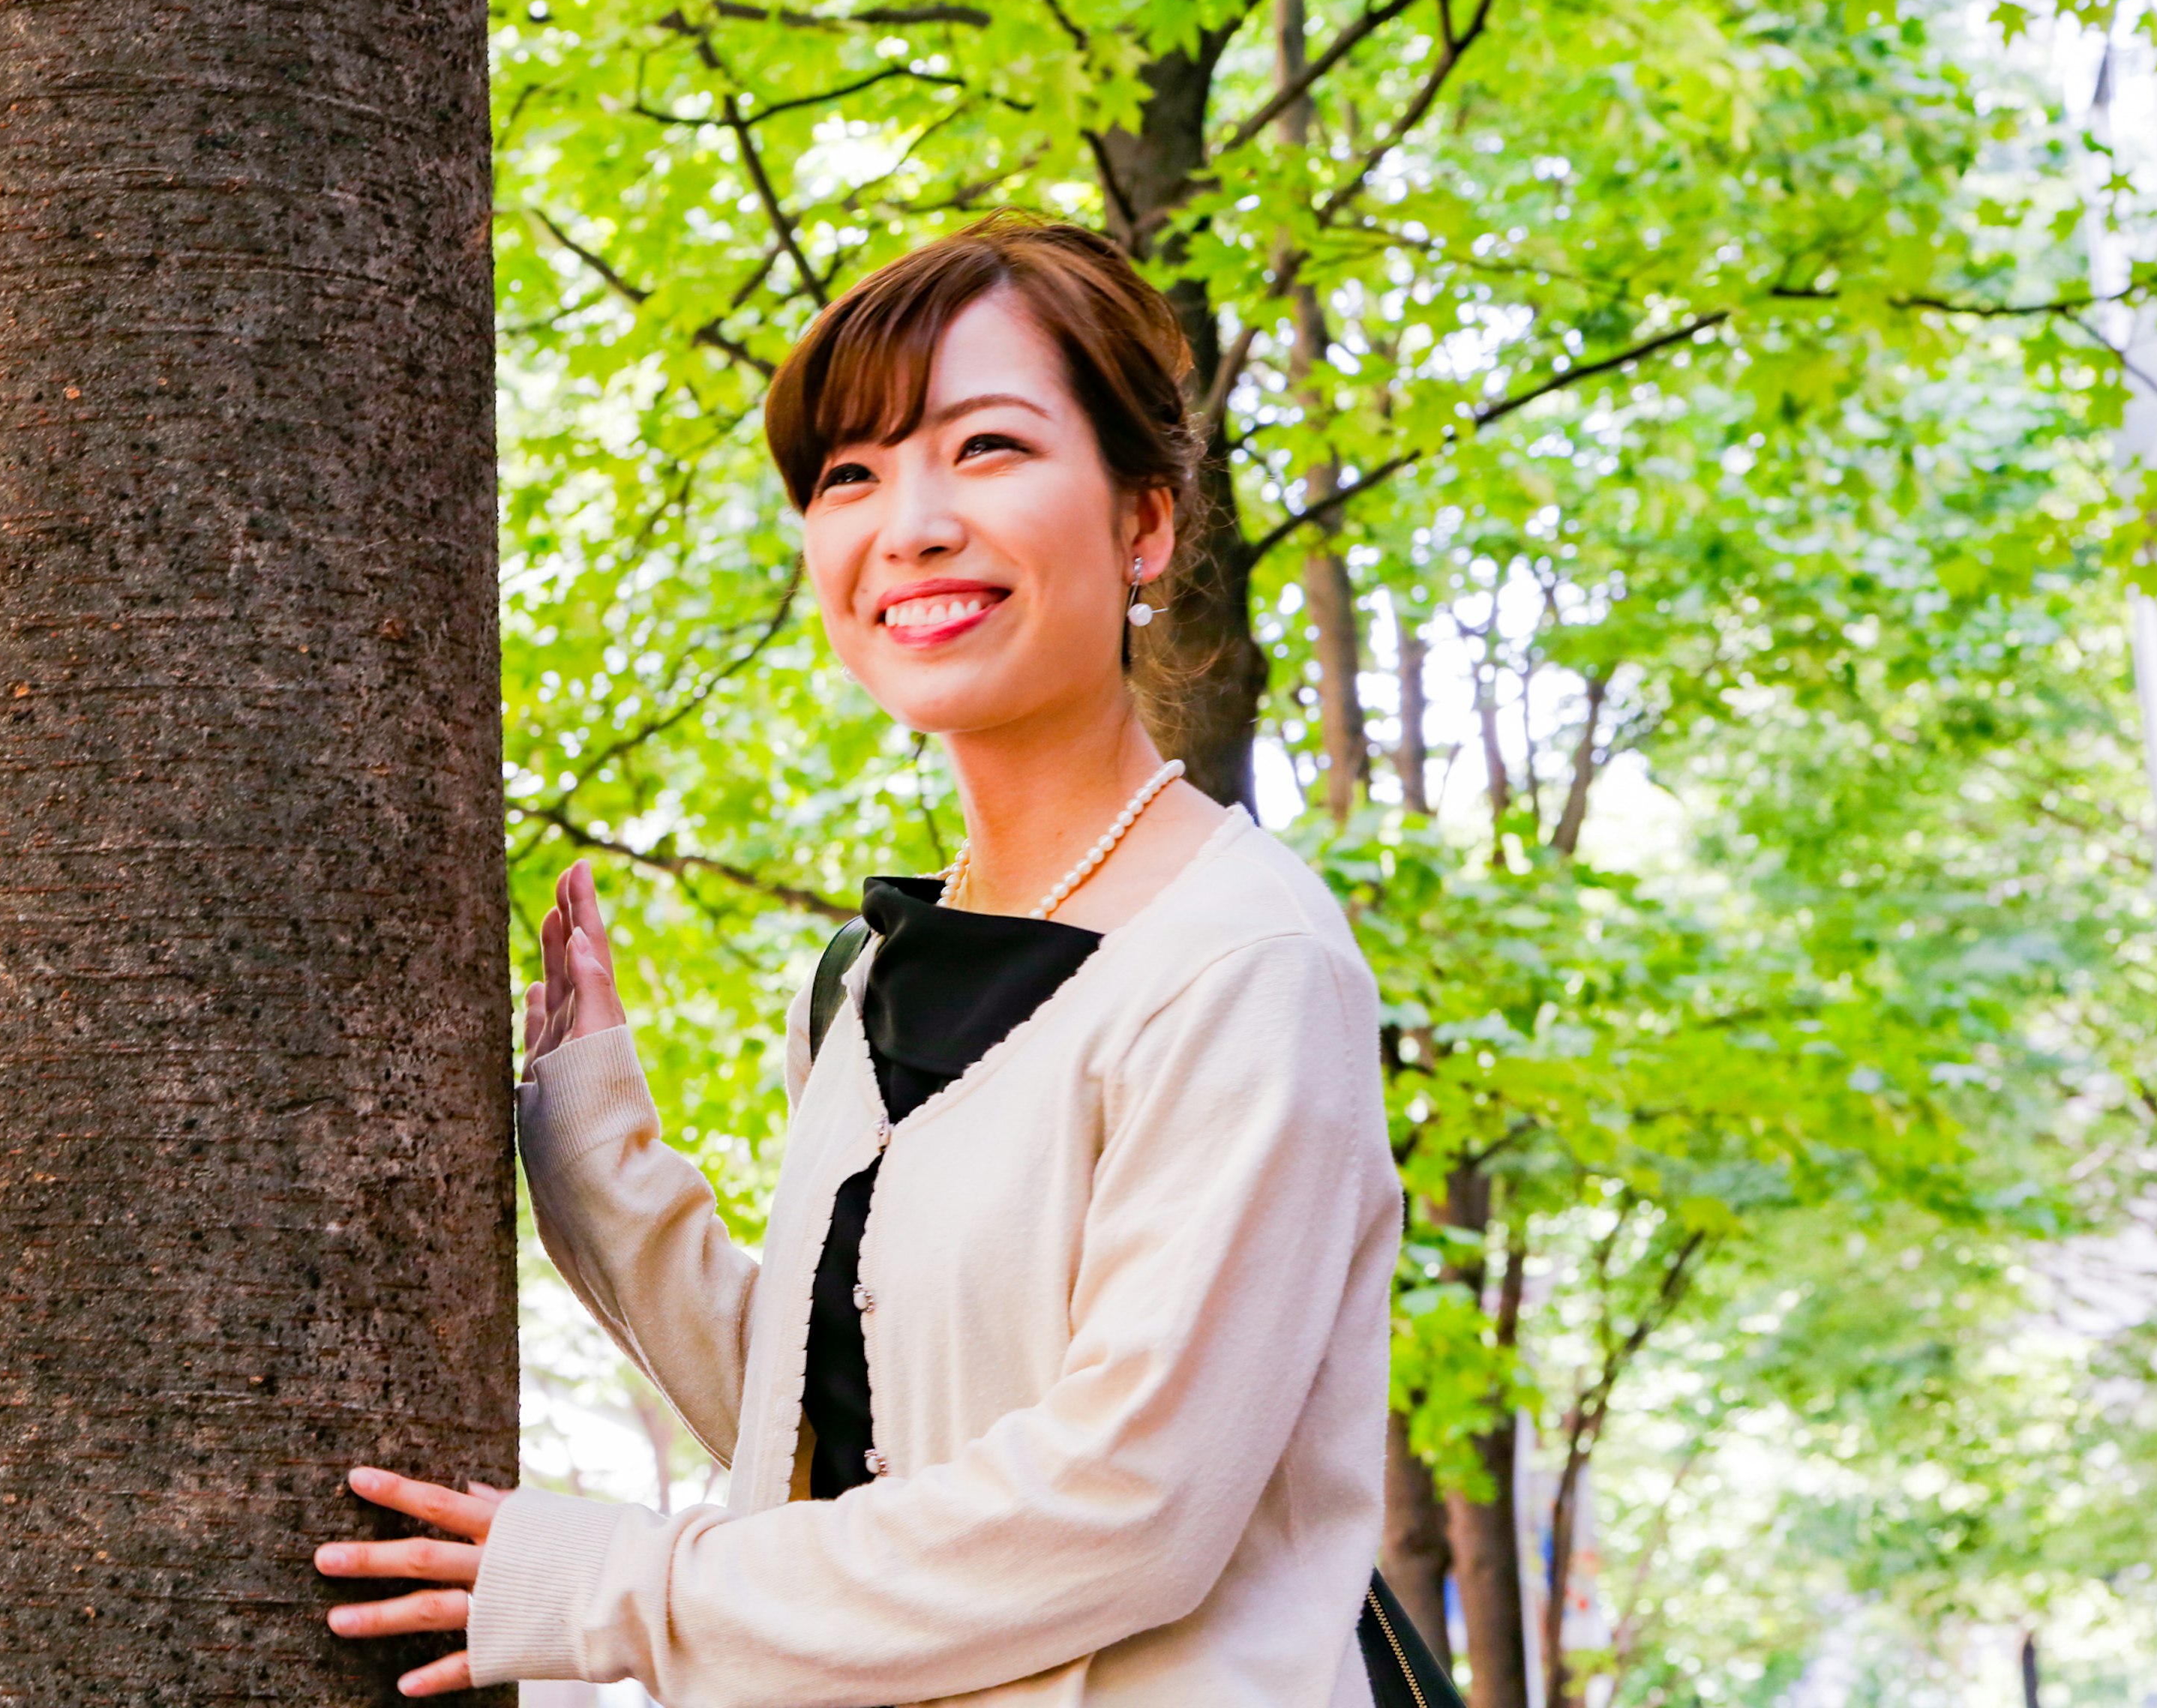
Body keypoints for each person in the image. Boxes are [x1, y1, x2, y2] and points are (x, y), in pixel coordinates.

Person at [312, 214, 1403, 1706]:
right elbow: (839, 1426)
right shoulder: (870, 974)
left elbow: (1130, 1505)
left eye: (990, 448)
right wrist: (591, 1159)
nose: (913, 522)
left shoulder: (1246, 963)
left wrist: (619, 1587)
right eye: (852, 473)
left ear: (1144, 522)